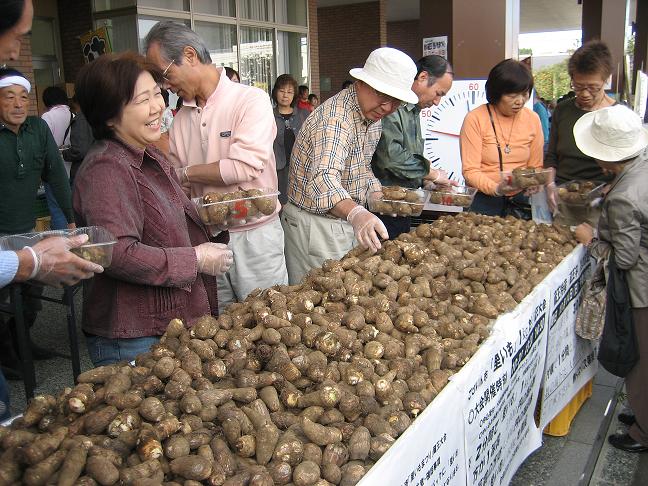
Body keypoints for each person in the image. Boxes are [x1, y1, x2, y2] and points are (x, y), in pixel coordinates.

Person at [73, 53, 233, 366]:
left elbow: (161, 216)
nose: (157, 106)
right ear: (109, 116)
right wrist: (196, 258)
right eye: (142, 99)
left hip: (167, 324)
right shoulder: (107, 168)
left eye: (157, 94)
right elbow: (115, 253)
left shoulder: (148, 154)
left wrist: (212, 213)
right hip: (134, 334)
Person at [145, 21, 288, 309]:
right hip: (208, 238)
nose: (166, 86)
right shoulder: (182, 117)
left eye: (166, 75)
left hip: (255, 236)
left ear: (189, 55)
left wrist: (187, 173)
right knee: (219, 325)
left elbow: (245, 166)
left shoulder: (250, 100)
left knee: (267, 314)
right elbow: (176, 182)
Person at [282, 47, 418, 284]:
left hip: (340, 220)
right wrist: (356, 212)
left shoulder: (372, 118)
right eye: (381, 94)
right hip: (316, 226)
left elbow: (361, 165)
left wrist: (376, 194)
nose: (387, 106)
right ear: (360, 83)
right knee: (319, 302)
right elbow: (323, 179)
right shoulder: (335, 120)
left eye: (396, 101)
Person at [572, 105, 648, 454]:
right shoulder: (641, 166)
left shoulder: (623, 197)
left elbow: (625, 258)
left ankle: (642, 433)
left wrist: (591, 239)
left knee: (641, 358)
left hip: (641, 288)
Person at [371, 55, 456, 238]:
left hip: (404, 206)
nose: (437, 102)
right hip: (383, 207)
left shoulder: (414, 110)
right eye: (438, 93)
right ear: (423, 77)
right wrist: (432, 173)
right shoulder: (394, 107)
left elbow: (410, 156)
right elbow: (391, 158)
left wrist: (427, 180)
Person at [544, 40, 616, 226]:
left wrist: (611, 189)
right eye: (577, 86)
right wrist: (550, 185)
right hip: (565, 198)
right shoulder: (562, 110)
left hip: (602, 200)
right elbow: (551, 155)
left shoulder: (619, 114)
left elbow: (630, 167)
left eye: (593, 87)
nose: (584, 93)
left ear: (606, 79)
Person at [460, 59, 544, 217]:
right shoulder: (475, 119)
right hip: (483, 200)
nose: (519, 101)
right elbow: (470, 171)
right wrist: (497, 189)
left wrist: (534, 181)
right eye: (512, 95)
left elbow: (536, 165)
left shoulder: (533, 119)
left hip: (520, 200)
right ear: (496, 93)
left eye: (525, 94)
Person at [271, 74, 309, 204]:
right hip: (277, 168)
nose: (285, 95)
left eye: (289, 92)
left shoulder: (304, 115)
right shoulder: (268, 115)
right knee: (280, 203)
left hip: (300, 168)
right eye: (281, 91)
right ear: (275, 92)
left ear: (294, 95)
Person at [41, 85, 74, 230]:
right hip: (72, 169)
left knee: (57, 209)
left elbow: (42, 144)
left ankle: (62, 243)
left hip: (54, 170)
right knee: (71, 210)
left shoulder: (47, 117)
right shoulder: (73, 115)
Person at [63, 95, 95, 186]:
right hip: (94, 169)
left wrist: (64, 153)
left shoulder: (81, 120)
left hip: (82, 171)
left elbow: (80, 150)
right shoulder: (97, 116)